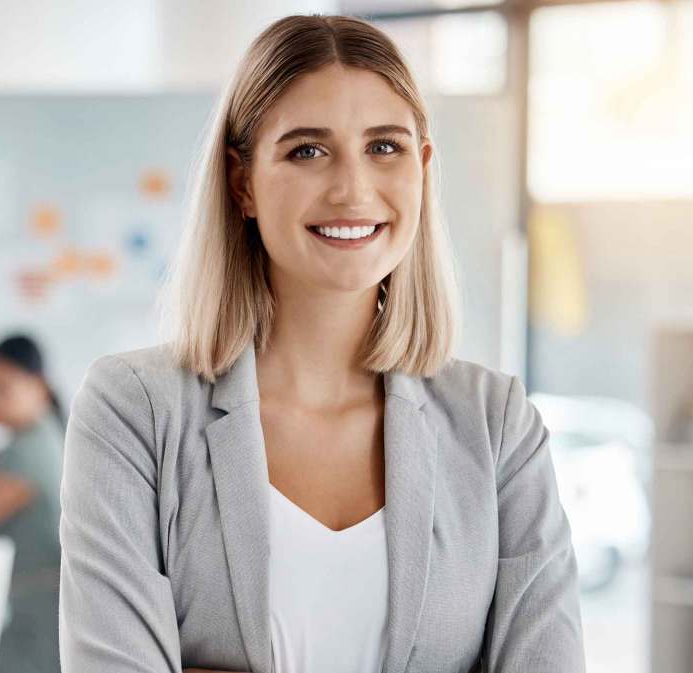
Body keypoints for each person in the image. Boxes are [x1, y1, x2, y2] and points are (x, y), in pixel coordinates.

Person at [58, 15, 584, 673]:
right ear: (242, 183)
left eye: (384, 147)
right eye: (308, 151)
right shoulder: (135, 411)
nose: (352, 189)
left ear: (422, 168)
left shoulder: (495, 423)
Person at [0, 334, 65, 673]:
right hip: (47, 613)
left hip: (36, 620)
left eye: (1, 388)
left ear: (39, 387)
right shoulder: (53, 435)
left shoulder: (25, 453)